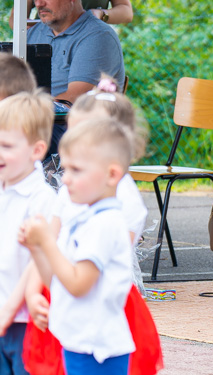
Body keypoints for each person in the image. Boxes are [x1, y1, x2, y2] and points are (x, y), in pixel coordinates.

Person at [19, 118, 138, 375]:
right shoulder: (86, 219)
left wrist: (46, 242)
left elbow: (78, 285)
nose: (66, 179)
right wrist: (37, 249)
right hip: (79, 343)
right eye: (66, 169)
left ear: (112, 175)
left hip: (98, 352)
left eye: (77, 170)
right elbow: (58, 281)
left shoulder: (104, 224)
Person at [0, 92, 57, 375]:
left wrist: (10, 308)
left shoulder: (41, 199)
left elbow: (38, 260)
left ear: (36, 151)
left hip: (24, 320)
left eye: (6, 146)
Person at [26, 0, 125, 104]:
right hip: (31, 120)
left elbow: (73, 101)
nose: (39, 3)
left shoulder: (98, 37)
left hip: (72, 124)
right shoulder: (33, 33)